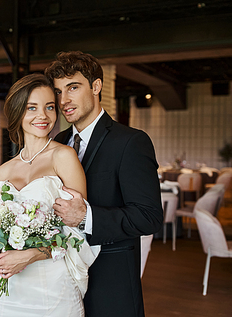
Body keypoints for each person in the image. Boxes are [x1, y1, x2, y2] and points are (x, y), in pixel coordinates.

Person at [45, 51, 163, 317]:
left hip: (111, 281)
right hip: (60, 282)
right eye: (59, 91)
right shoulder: (56, 144)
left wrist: (86, 216)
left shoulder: (131, 142)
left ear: (96, 86)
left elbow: (149, 217)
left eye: (73, 87)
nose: (64, 100)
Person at [0, 73, 98, 316]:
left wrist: (31, 255)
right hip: (11, 290)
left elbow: (77, 230)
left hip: (53, 288)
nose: (43, 116)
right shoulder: (4, 170)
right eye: (32, 108)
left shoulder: (64, 156)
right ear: (17, 113)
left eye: (49, 107)